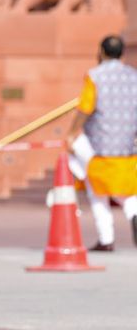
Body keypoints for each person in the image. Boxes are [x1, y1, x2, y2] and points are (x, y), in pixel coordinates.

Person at [67, 35, 137, 252]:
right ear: (122, 53)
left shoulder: (95, 76)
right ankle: (134, 214)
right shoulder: (133, 76)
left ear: (102, 52)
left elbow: (85, 108)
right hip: (127, 146)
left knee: (97, 191)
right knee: (128, 192)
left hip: (99, 146)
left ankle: (106, 238)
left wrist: (72, 132)